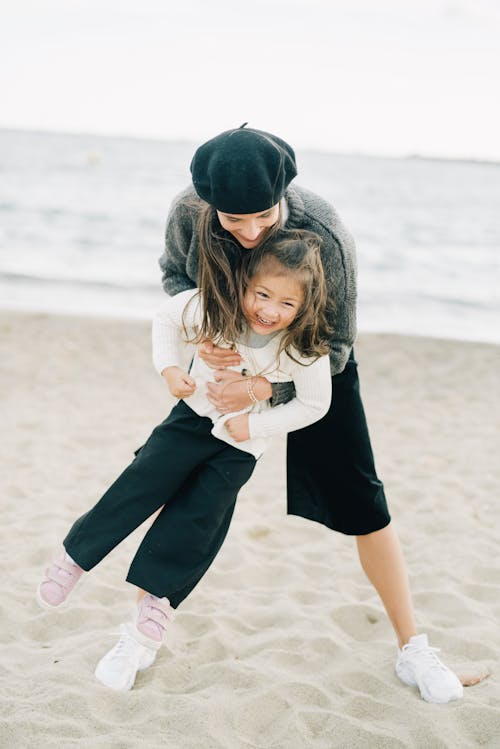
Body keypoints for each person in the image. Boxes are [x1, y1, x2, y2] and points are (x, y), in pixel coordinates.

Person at [152, 124, 464, 704]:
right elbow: (175, 279)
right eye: (232, 221)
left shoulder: (322, 228)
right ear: (208, 203)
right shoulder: (188, 212)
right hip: (224, 361)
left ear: (284, 194)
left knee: (363, 502)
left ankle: (413, 649)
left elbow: (338, 344)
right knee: (170, 479)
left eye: (262, 219)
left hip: (311, 366)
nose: (248, 234)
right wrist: (205, 339)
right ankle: (140, 633)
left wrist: (264, 389)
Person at [36, 230, 333, 691]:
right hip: (190, 419)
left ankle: (155, 605)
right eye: (262, 294)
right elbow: (166, 319)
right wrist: (170, 368)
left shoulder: (303, 347)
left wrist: (255, 427)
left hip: (240, 447)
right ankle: (74, 556)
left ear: (305, 307)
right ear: (244, 283)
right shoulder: (212, 307)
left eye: (287, 304)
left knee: (198, 518)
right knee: (140, 483)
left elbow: (316, 405)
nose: (270, 311)